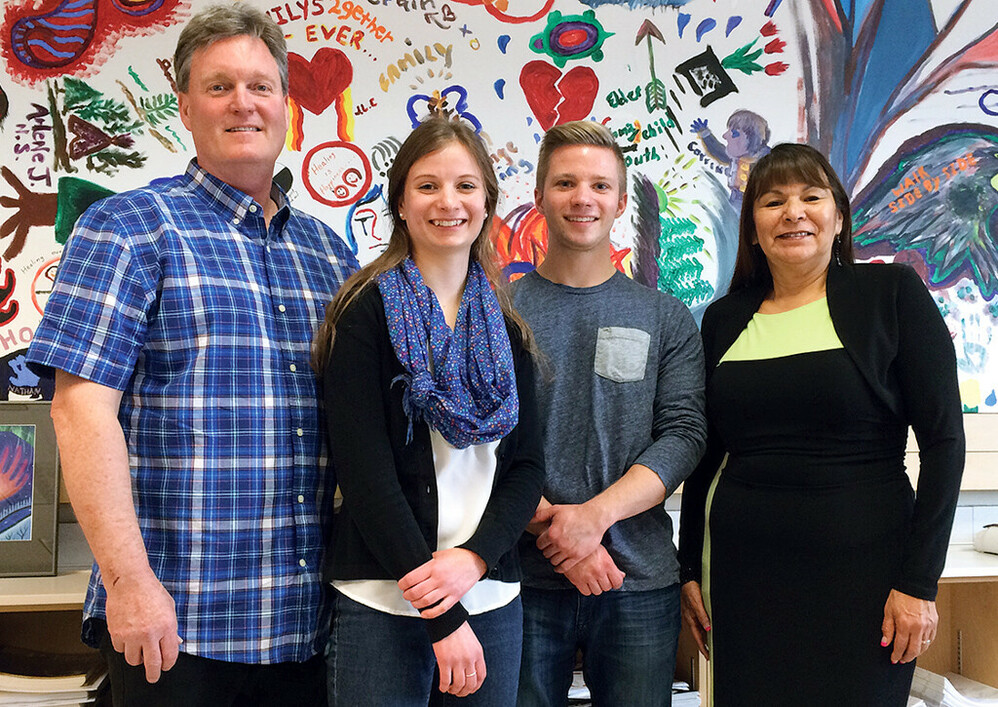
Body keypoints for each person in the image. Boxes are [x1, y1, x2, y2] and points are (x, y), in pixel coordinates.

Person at [26, 4, 358, 705]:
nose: (244, 103)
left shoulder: (329, 254)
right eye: (219, 86)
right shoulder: (127, 228)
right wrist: (129, 583)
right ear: (184, 106)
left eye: (261, 86)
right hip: (180, 625)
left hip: (311, 624)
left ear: (286, 105)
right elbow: (80, 413)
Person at [678, 143, 965, 705]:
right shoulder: (724, 317)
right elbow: (706, 453)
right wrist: (689, 567)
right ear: (753, 226)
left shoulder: (891, 295)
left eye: (811, 196)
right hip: (742, 575)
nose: (793, 213)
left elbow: (944, 443)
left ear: (838, 217)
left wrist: (918, 583)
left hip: (867, 578)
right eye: (773, 201)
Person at [313, 117, 544, 705]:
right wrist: (440, 614)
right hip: (383, 598)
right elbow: (365, 478)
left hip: (488, 592)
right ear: (400, 203)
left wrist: (473, 560)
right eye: (427, 186)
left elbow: (527, 469)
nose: (449, 202)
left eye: (466, 186)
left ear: (487, 202)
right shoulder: (363, 315)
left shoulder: (506, 327)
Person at [513, 120, 707, 706]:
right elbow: (474, 441)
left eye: (599, 185)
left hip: (638, 581)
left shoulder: (666, 316)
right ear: (540, 195)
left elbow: (683, 435)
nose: (582, 198)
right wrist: (558, 532)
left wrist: (591, 520)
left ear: (621, 201)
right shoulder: (498, 310)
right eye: (566, 183)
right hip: (515, 582)